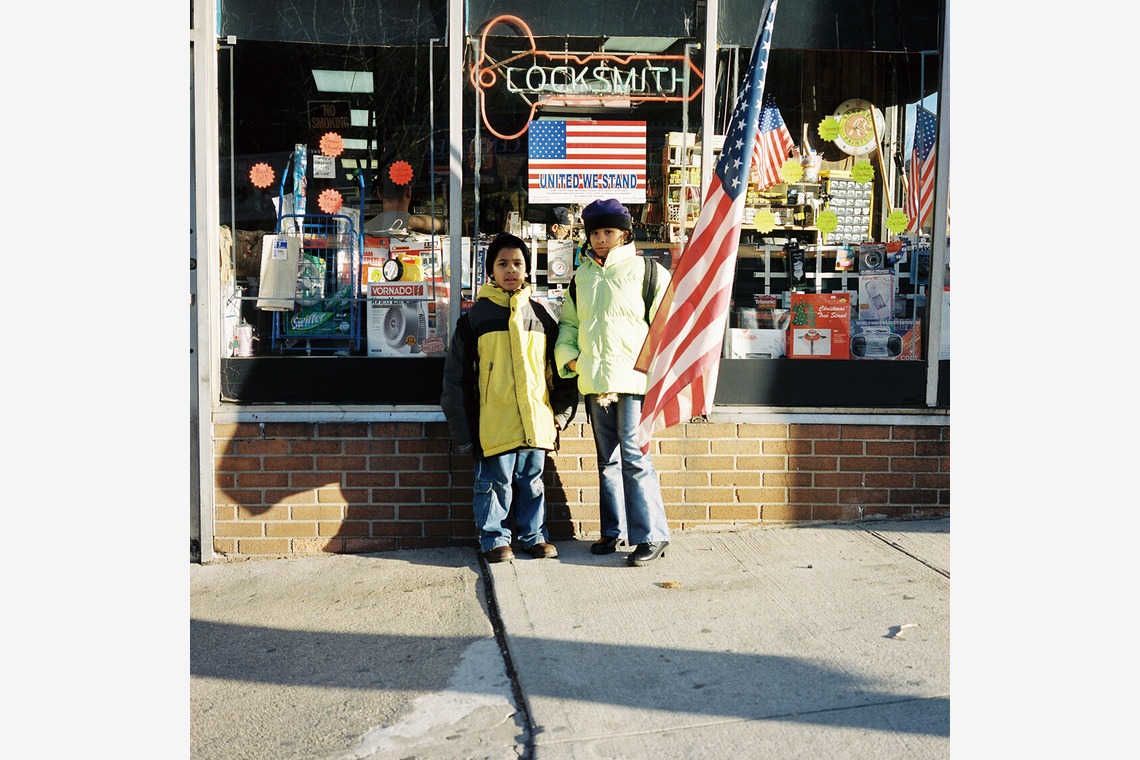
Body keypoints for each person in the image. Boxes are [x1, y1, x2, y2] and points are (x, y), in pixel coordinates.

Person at [441, 233, 578, 563]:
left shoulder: (542, 317)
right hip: (494, 422)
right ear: (491, 270)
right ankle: (493, 538)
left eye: (518, 263)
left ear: (527, 269)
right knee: (494, 482)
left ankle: (534, 535)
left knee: (532, 483)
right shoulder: (475, 320)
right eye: (502, 263)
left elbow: (561, 372)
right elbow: (456, 381)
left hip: (535, 420)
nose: (511, 270)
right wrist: (463, 432)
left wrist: (558, 416)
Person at [554, 198, 672, 567]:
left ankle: (651, 534)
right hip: (595, 381)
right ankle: (613, 531)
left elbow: (666, 324)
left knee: (634, 458)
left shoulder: (646, 271)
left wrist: (650, 371)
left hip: (633, 382)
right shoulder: (582, 277)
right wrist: (570, 359)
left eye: (608, 231)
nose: (601, 238)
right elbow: (569, 325)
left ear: (624, 232)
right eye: (595, 232)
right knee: (607, 461)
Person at [364, 167, 445, 235]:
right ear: (408, 192)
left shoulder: (364, 229)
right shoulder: (417, 223)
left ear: (379, 194)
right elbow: (447, 225)